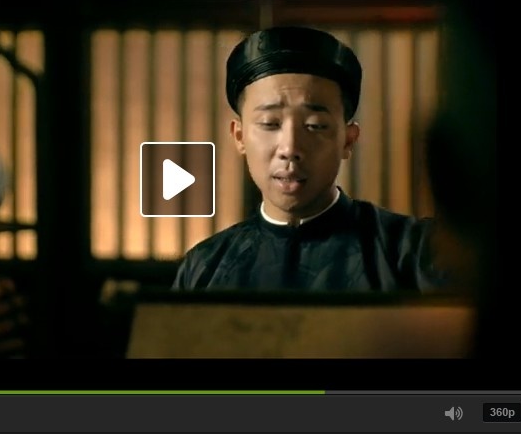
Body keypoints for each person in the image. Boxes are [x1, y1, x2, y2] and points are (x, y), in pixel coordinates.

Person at [172, 26, 450, 292]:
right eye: (270, 123)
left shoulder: (413, 254)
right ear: (240, 136)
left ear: (348, 139)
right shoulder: (205, 266)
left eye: (315, 125)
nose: (290, 147)